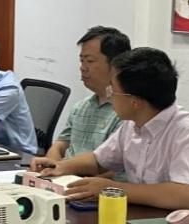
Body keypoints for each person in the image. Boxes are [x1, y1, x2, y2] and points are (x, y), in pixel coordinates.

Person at [33, 47, 189, 223]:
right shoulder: (132, 124)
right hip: (153, 220)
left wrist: (113, 189)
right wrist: (60, 166)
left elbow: (186, 196)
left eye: (113, 90)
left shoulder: (188, 131)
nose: (109, 95)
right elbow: (98, 160)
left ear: (135, 102)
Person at [40, 27, 130, 171]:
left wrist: (63, 170)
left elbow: (115, 170)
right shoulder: (81, 107)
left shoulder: (127, 114)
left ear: (115, 65)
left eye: (89, 61)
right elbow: (60, 145)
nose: (83, 68)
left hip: (88, 181)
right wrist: (51, 166)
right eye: (81, 61)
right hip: (64, 176)